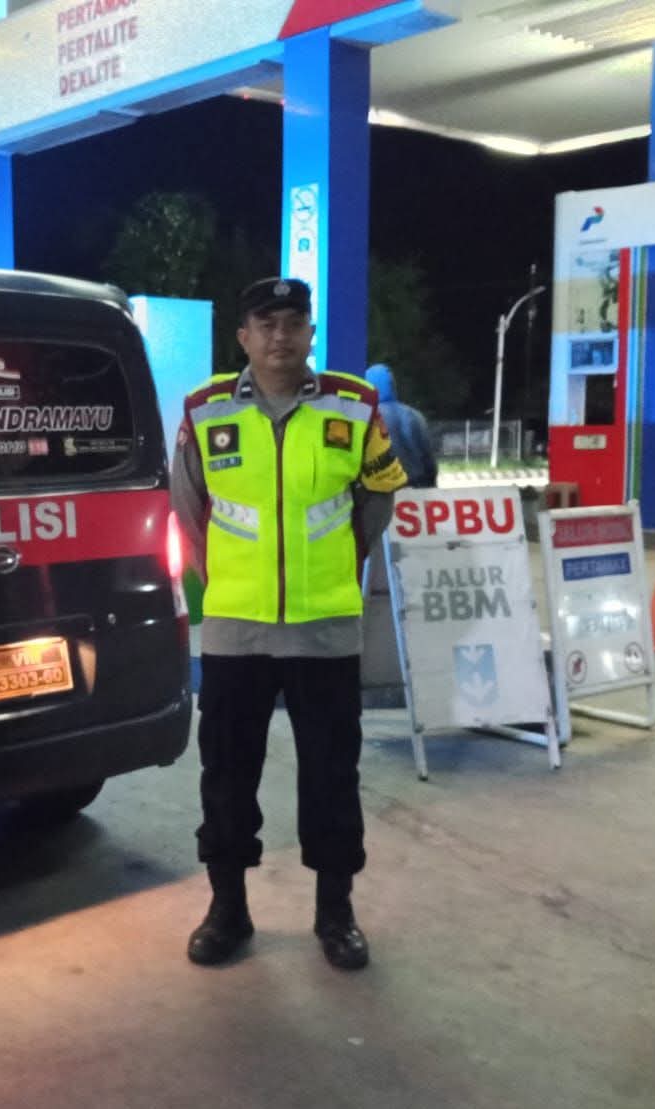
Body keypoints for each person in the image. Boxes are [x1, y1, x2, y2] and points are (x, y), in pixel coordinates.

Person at [172, 277, 407, 971]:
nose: (280, 336)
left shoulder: (354, 405)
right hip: (235, 630)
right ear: (243, 336)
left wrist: (335, 569)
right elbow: (187, 507)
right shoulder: (205, 409)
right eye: (265, 323)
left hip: (325, 628)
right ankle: (228, 910)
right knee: (226, 775)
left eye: (293, 323)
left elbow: (377, 501)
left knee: (332, 776)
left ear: (311, 333)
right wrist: (225, 582)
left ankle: (335, 913)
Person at [363, 363, 438, 488]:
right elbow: (429, 462)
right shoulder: (415, 415)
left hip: (385, 489)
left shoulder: (368, 417)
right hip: (418, 486)